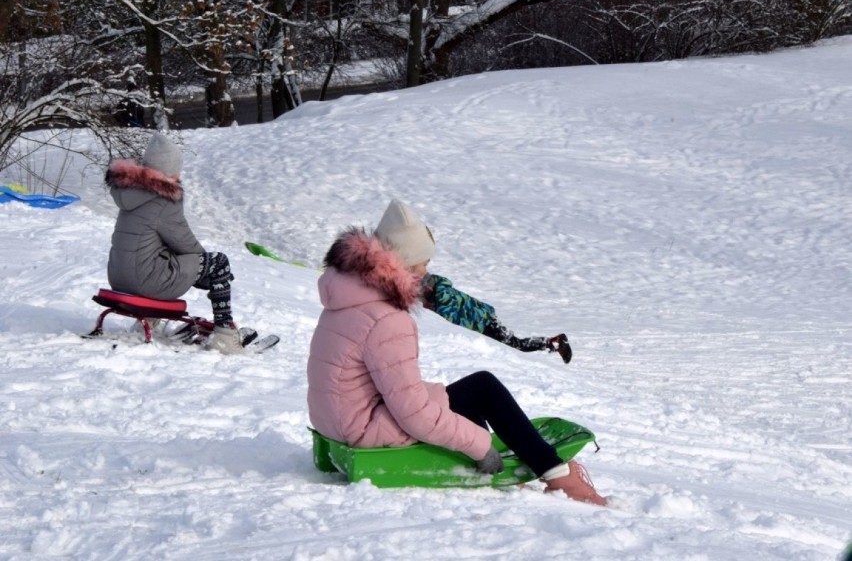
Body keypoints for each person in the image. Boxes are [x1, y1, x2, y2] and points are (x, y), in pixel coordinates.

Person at [306, 198, 607, 505]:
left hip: (337, 420)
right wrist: (478, 445)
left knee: (469, 394)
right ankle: (561, 478)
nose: (426, 270)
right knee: (483, 388)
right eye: (423, 263)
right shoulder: (387, 320)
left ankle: (507, 470)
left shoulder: (348, 298)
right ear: (402, 265)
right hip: (363, 429)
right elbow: (413, 413)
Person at [104, 132, 242, 354]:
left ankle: (148, 318)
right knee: (218, 262)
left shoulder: (131, 192)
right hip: (145, 281)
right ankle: (225, 334)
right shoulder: (163, 198)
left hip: (119, 278)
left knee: (162, 254)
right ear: (169, 170)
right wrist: (212, 273)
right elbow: (185, 244)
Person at [421, 272, 573, 364]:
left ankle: (553, 342)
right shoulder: (443, 289)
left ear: (428, 290)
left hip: (482, 323)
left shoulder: (443, 298)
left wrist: (430, 306)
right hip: (485, 317)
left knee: (516, 345)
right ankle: (551, 342)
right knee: (516, 343)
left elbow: (449, 317)